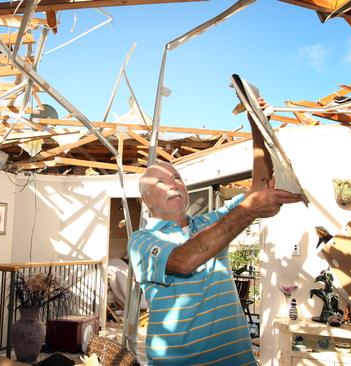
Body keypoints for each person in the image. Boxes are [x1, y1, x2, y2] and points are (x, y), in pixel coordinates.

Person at [128, 100, 302, 365]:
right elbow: (184, 261)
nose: (173, 183)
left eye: (177, 178)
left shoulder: (209, 223)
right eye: (160, 182)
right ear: (147, 201)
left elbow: (259, 188)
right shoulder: (142, 240)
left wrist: (256, 124)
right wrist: (247, 211)